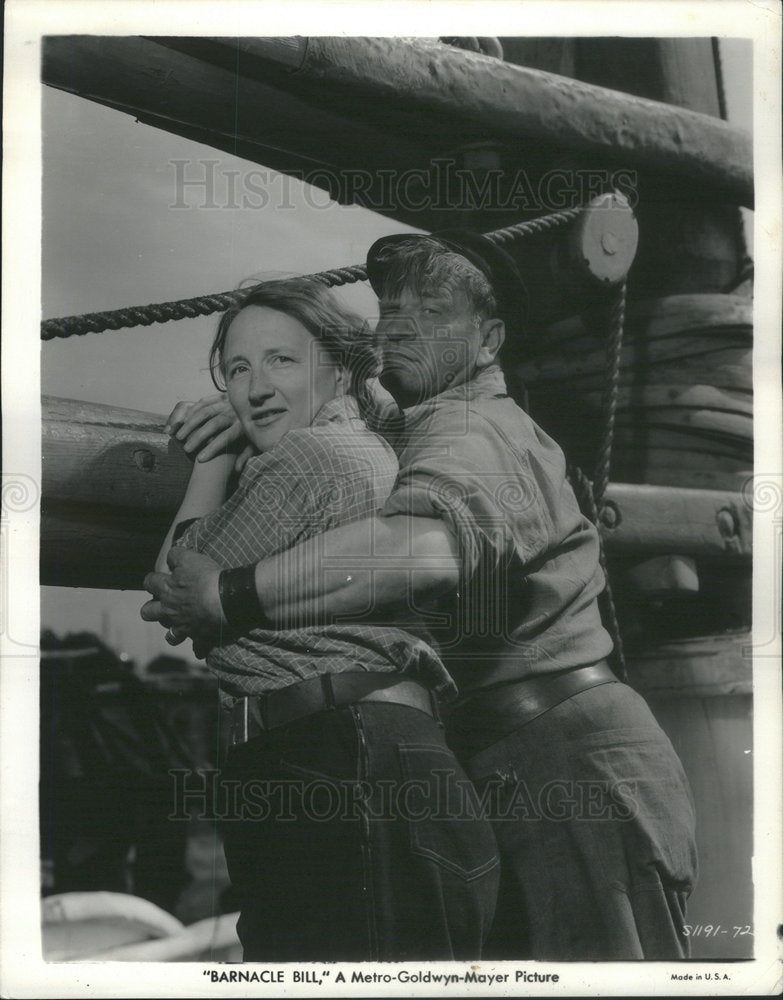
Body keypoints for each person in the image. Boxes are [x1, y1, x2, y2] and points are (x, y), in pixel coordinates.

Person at [143, 238, 698, 961]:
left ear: (488, 341)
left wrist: (227, 593)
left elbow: (420, 550)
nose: (400, 328)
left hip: (564, 764)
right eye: (391, 311)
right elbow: (347, 405)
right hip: (500, 757)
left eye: (432, 313)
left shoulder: (474, 431)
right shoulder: (414, 425)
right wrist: (242, 411)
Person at [142, 277, 499, 962]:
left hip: (333, 762)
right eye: (237, 370)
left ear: (339, 370)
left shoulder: (308, 457)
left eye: (281, 360)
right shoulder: (371, 444)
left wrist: (214, 458)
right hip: (377, 758)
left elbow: (172, 590)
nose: (254, 390)